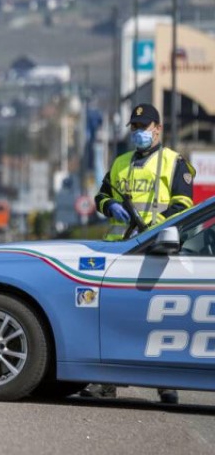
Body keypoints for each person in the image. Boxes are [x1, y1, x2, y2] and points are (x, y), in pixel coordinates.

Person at [85, 102, 196, 405]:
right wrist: (111, 207)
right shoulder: (120, 162)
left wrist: (155, 227)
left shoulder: (175, 163)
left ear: (158, 129)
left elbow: (183, 205)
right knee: (110, 317)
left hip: (159, 248)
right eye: (134, 127)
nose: (138, 132)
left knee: (159, 320)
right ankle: (104, 382)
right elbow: (102, 196)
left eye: (143, 127)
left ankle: (165, 384)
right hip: (121, 248)